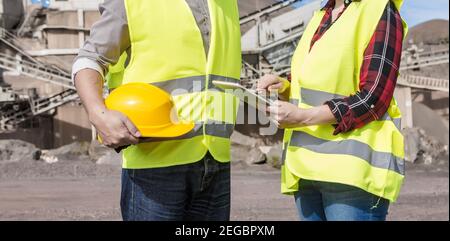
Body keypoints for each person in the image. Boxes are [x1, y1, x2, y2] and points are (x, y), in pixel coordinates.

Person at [73, 0, 241, 221]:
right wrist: (97, 112)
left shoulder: (226, 4)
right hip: (155, 162)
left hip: (215, 159)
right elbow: (89, 59)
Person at [258, 0, 407, 221]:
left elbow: (373, 97)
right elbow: (320, 81)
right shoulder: (322, 15)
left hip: (352, 175)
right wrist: (285, 86)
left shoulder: (378, 9)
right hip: (306, 169)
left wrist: (302, 117)